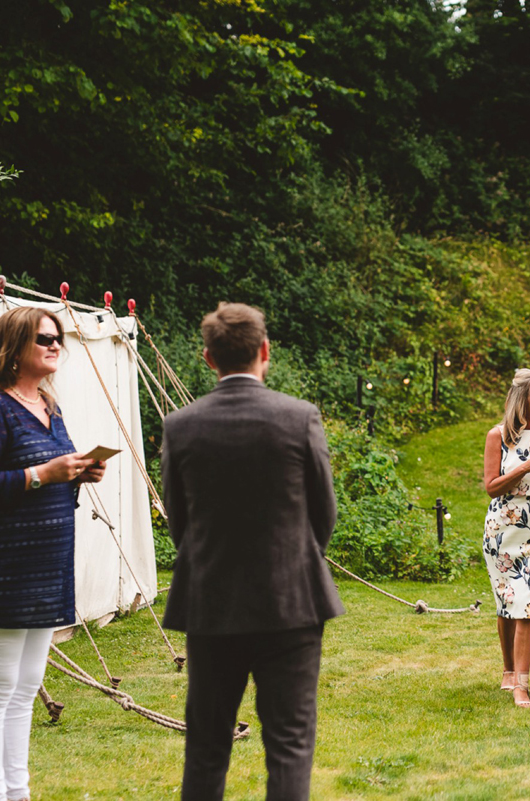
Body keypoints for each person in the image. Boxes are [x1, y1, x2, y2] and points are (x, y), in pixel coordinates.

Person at [161, 303, 344, 800]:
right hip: (291, 601)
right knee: (289, 741)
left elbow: (179, 520)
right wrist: (297, 560)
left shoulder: (181, 425)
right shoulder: (299, 417)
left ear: (207, 358)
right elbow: (323, 513)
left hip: (211, 601)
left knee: (206, 744)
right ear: (265, 352)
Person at [0, 307, 105, 801]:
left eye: (58, 338)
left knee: (25, 689)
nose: (55, 345)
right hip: (3, 566)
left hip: (47, 564)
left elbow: (48, 478)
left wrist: (78, 473)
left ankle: (17, 794)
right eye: (44, 337)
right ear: (15, 345)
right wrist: (44, 474)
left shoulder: (49, 404)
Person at [482, 368, 530, 708]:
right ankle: (508, 670)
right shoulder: (497, 436)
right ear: (522, 399)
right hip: (503, 526)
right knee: (507, 602)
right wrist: (525, 466)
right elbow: (491, 487)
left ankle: (521, 685)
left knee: (528, 603)